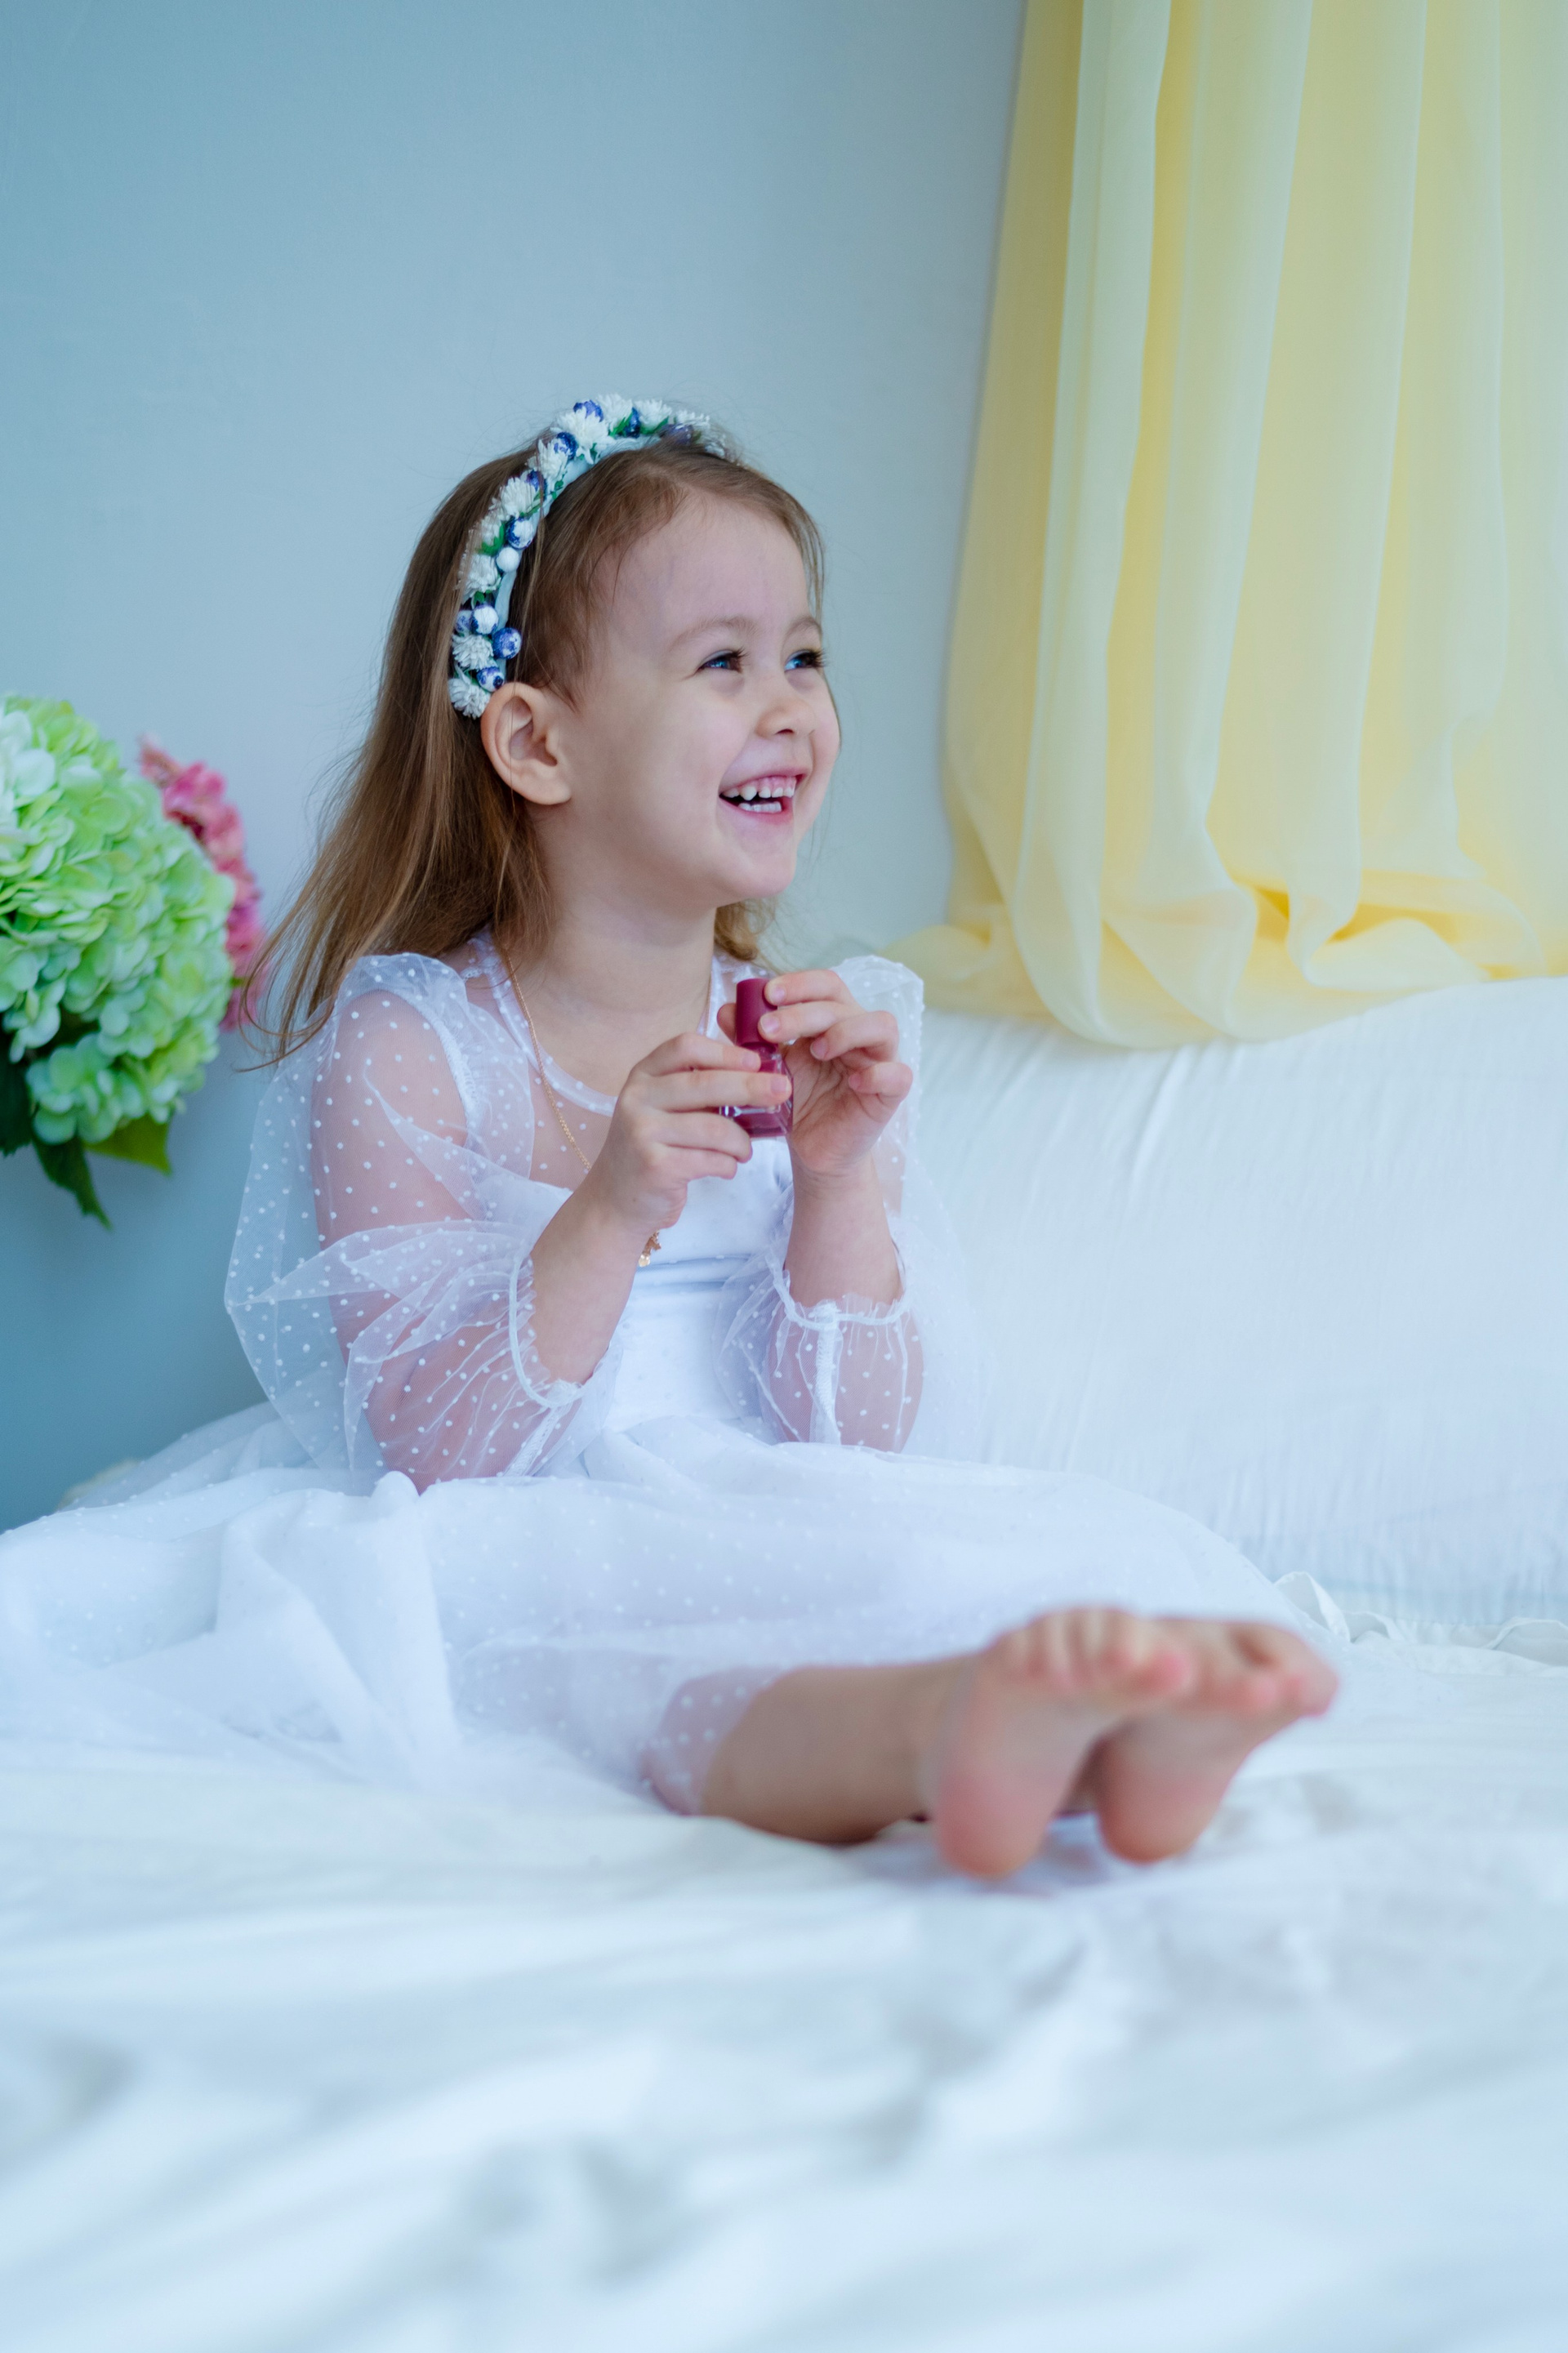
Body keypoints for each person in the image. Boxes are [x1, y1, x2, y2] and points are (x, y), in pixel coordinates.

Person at [9, 401, 1336, 1878]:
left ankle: (1093, 1731)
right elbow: (427, 1456)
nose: (790, 705)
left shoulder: (816, 1031)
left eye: (805, 655)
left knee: (932, 1568)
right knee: (655, 1670)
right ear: (538, 741)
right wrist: (609, 1203)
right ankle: (953, 1736)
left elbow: (861, 1448)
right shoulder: (417, 1047)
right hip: (531, 1536)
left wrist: (835, 1181)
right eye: (724, 662)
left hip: (774, 1517)